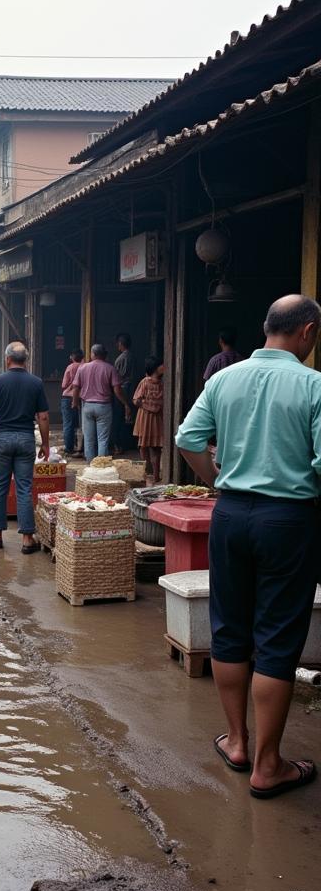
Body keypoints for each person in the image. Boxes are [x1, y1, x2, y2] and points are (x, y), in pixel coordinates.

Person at [176, 294, 321, 801]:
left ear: (267, 328)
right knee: (278, 638)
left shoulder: (223, 379)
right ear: (307, 331)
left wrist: (218, 480)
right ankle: (268, 766)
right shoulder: (314, 385)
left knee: (231, 628)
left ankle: (237, 742)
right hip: (289, 520)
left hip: (231, 515)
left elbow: (188, 439)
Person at [0, 342, 49, 553]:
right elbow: (44, 416)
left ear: (7, 359)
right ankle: (27, 539)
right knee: (24, 488)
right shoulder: (36, 383)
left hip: (2, 439)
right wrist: (45, 443)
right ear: (25, 360)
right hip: (26, 439)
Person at [72, 344, 131, 461]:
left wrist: (75, 403)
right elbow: (117, 390)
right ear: (104, 355)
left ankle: (90, 467)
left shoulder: (83, 368)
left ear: (92, 354)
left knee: (89, 439)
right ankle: (101, 467)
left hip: (87, 406)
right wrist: (126, 403)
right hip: (104, 406)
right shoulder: (110, 368)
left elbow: (75, 387)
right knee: (103, 439)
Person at [132, 357, 165, 484]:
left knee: (156, 448)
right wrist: (150, 406)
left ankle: (156, 475)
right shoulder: (145, 382)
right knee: (144, 446)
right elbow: (136, 400)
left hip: (155, 418)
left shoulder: (163, 383)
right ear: (156, 368)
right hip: (146, 417)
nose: (164, 367)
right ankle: (147, 472)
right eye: (161, 365)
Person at [60, 349, 84, 457]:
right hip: (81, 397)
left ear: (72, 357)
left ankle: (69, 448)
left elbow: (64, 385)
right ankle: (82, 447)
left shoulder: (70, 367)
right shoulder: (85, 367)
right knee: (81, 424)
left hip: (68, 397)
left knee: (68, 424)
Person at [113, 332, 135, 453]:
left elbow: (116, 378)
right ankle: (126, 443)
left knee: (118, 417)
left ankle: (118, 445)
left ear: (121, 344)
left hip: (122, 390)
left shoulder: (121, 359)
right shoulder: (132, 356)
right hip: (131, 389)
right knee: (128, 417)